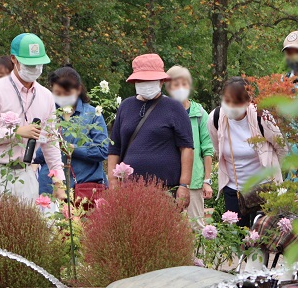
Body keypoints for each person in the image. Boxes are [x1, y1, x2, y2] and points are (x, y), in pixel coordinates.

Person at [0, 33, 66, 202]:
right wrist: (16, 132)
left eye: (39, 64)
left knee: (26, 227)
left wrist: (59, 182)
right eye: (29, 64)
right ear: (14, 59)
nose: (35, 68)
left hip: (26, 172)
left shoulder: (46, 96)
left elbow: (50, 141)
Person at [107, 54, 194, 209]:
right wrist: (113, 181)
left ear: (161, 81)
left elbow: (186, 147)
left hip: (166, 190)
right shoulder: (125, 106)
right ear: (134, 81)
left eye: (150, 80)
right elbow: (115, 147)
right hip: (129, 190)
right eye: (142, 80)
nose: (146, 84)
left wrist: (184, 185)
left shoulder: (174, 107)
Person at [208, 77, 285, 227]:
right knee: (238, 239)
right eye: (227, 101)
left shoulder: (261, 116)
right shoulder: (215, 118)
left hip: (264, 187)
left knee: (265, 237)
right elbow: (218, 149)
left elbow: (281, 148)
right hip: (234, 189)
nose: (231, 106)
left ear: (248, 101)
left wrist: (274, 172)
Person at [34, 66, 108, 201]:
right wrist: (54, 147)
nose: (62, 97)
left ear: (78, 89)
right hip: (51, 189)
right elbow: (36, 155)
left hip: (85, 188)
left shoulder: (92, 114)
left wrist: (73, 148)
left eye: (67, 92)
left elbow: (102, 150)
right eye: (58, 93)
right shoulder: (47, 115)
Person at [165, 65, 213, 228]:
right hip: (168, 180)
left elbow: (207, 149)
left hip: (194, 180)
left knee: (196, 226)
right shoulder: (162, 112)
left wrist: (207, 180)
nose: (179, 88)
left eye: (183, 83)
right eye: (174, 84)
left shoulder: (199, 113)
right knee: (169, 228)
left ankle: (199, 255)